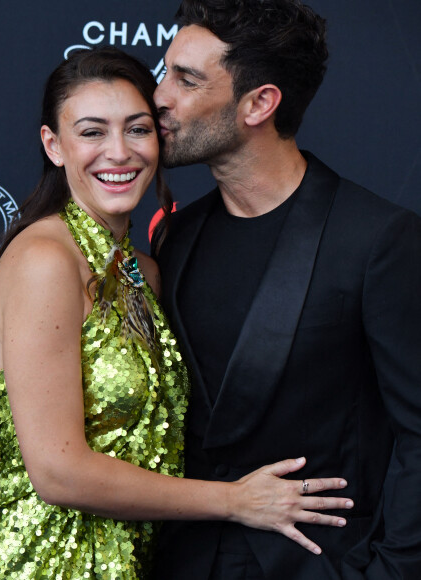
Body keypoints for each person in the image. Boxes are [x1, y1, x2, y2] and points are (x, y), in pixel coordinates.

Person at [0, 45, 353, 579]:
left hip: (136, 563)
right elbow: (57, 474)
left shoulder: (145, 269)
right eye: (92, 132)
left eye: (137, 129)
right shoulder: (46, 258)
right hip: (45, 561)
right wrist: (236, 501)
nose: (118, 153)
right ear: (54, 146)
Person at [148, 1, 421, 579]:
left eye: (186, 79)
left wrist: (390, 572)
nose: (159, 98)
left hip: (312, 566)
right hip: (176, 558)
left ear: (259, 104)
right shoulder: (177, 236)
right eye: (164, 72)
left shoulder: (376, 240)